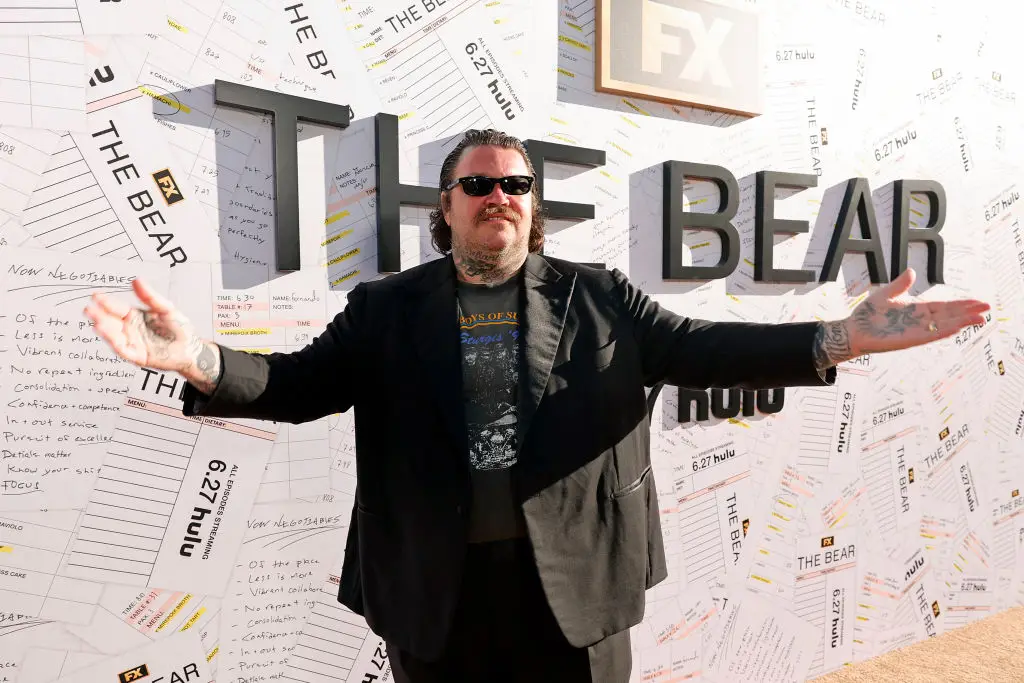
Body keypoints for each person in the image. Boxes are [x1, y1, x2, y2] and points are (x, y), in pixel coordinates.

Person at [84, 128, 990, 682]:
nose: (499, 198)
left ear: (533, 206)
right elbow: (295, 386)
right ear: (446, 207)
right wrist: (199, 358)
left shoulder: (599, 296)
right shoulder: (385, 308)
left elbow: (703, 347)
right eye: (478, 185)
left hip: (575, 589)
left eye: (516, 185)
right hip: (436, 595)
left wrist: (840, 335)